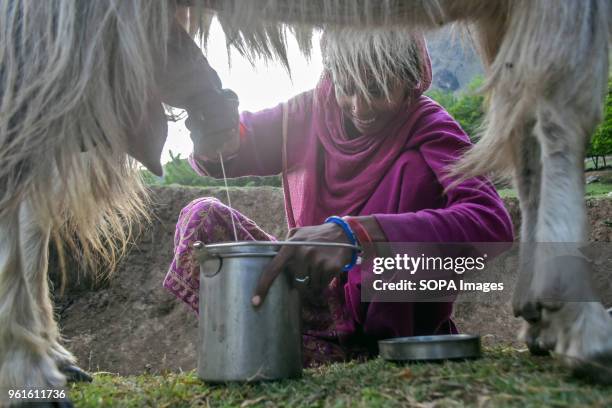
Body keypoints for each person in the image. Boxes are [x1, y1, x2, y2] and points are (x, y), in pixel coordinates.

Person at [163, 28, 514, 366]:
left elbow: (490, 221)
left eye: (376, 89)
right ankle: (284, 339)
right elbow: (241, 140)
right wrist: (218, 136)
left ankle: (361, 348)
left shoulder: (428, 125)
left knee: (414, 169)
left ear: (410, 80)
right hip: (313, 299)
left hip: (389, 309)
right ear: (332, 77)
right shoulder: (309, 112)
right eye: (348, 88)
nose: (360, 107)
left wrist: (358, 235)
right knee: (203, 217)